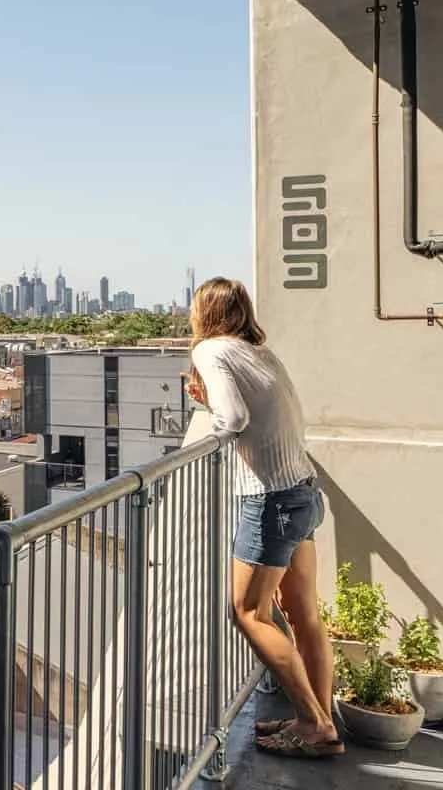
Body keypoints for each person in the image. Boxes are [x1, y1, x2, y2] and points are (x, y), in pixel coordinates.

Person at [186, 277, 342, 759]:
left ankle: (314, 724)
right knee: (304, 615)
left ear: (203, 314)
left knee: (248, 613)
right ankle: (319, 718)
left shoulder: (211, 350)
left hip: (271, 500)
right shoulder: (260, 353)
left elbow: (232, 420)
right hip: (303, 492)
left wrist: (210, 411)